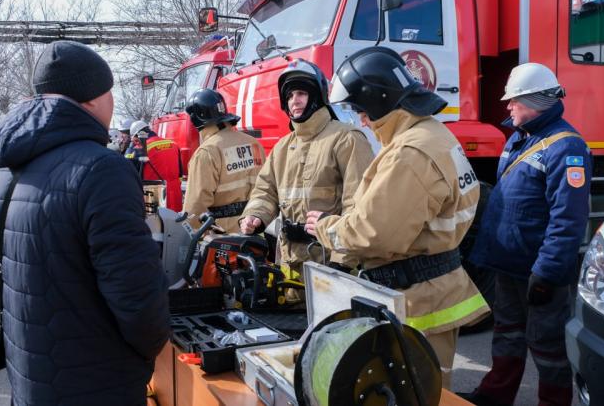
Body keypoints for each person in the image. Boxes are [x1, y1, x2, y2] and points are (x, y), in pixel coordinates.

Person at [0, 40, 170, 405]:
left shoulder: (2, 169)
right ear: (92, 98)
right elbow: (137, 299)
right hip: (93, 377)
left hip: (31, 369)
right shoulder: (101, 169)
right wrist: (152, 345)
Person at [305, 47, 490, 387]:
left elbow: (375, 234)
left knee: (412, 394)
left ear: (380, 101)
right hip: (431, 288)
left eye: (361, 111)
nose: (361, 120)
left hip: (416, 300)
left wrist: (326, 228)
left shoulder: (409, 153)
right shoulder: (434, 134)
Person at [459, 63, 591, 406]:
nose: (508, 106)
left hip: (537, 272)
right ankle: (494, 395)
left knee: (547, 347)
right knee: (507, 334)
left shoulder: (566, 147)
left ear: (535, 100)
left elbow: (568, 220)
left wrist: (547, 273)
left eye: (514, 100)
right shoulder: (520, 139)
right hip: (509, 267)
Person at [240, 59, 374, 289]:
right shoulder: (283, 147)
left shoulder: (346, 138)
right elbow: (265, 190)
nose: (295, 101)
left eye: (301, 93)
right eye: (290, 96)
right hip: (290, 268)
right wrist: (255, 215)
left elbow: (359, 206)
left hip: (331, 267)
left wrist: (341, 264)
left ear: (317, 96)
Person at [183, 88, 265, 233]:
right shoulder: (254, 143)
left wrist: (193, 236)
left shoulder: (206, 152)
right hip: (257, 227)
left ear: (195, 119)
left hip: (223, 236)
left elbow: (195, 207)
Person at [130, 121, 183, 212]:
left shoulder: (141, 149)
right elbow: (181, 172)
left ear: (137, 136)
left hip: (155, 196)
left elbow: (132, 174)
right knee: (175, 223)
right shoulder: (173, 144)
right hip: (175, 193)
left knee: (156, 224)